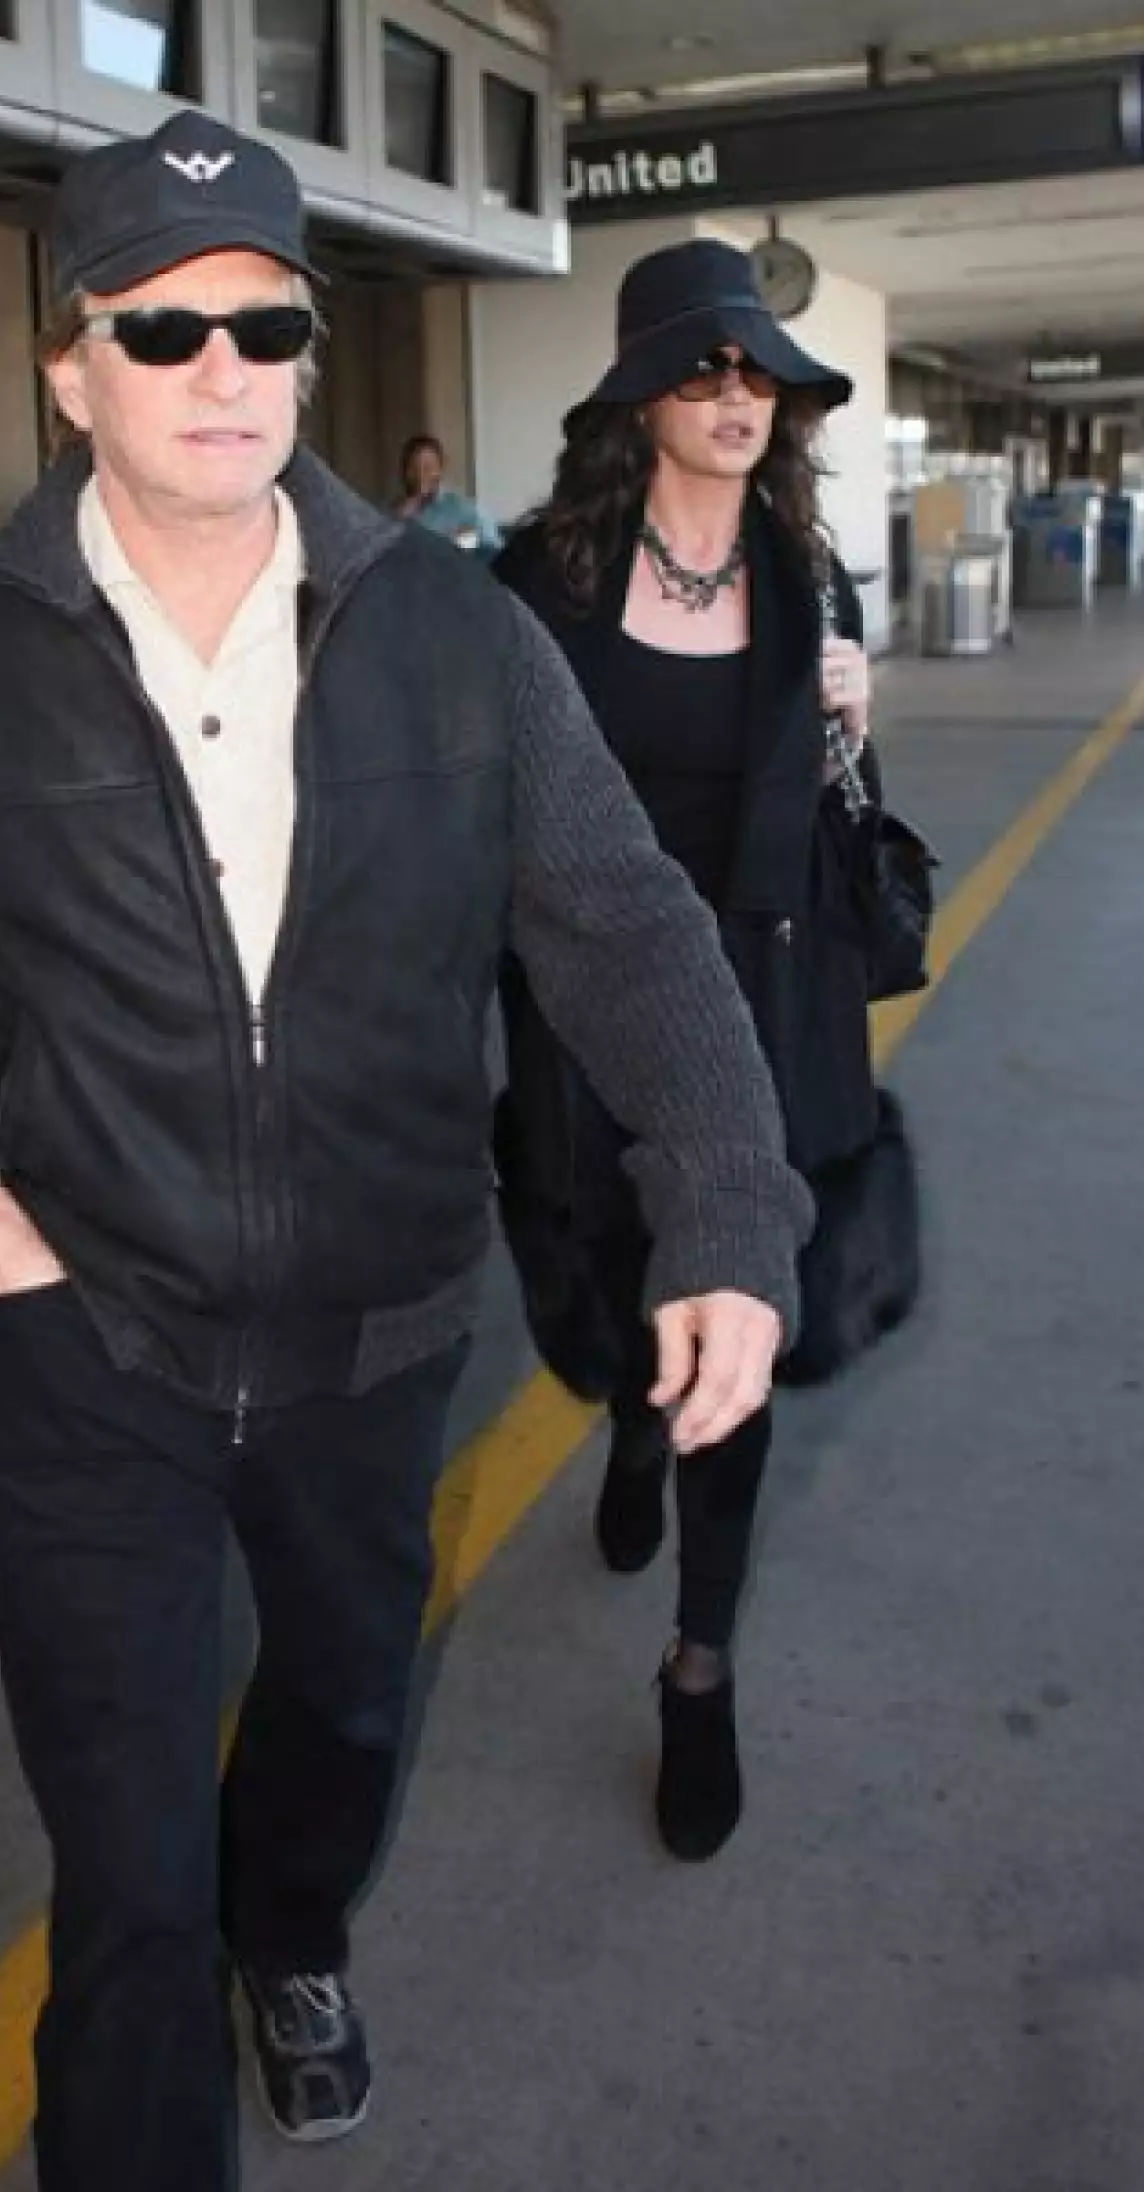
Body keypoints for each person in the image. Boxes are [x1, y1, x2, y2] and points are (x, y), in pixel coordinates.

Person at [0, 116, 811, 2192]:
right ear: (71, 368)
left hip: (372, 1331)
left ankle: (303, 1935)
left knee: (340, 1719)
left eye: (263, 321)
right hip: (86, 1353)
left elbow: (617, 923)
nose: (220, 366)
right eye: (160, 327)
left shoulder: (451, 638)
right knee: (126, 1855)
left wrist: (721, 1198)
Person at [493, 238, 878, 1867]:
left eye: (760, 375)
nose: (739, 396)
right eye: (707, 368)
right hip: (582, 1018)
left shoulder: (816, 579)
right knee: (587, 1302)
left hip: (761, 1019)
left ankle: (699, 1661)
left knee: (736, 1325)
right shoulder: (537, 584)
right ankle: (629, 1415)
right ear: (644, 391)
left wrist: (857, 708)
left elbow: (838, 815)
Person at [394, 432, 501, 554]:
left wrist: (465, 541)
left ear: (440, 469)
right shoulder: (393, 512)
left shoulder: (462, 508)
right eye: (413, 468)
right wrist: (401, 517)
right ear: (404, 472)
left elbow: (492, 549)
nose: (421, 475)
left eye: (428, 468)